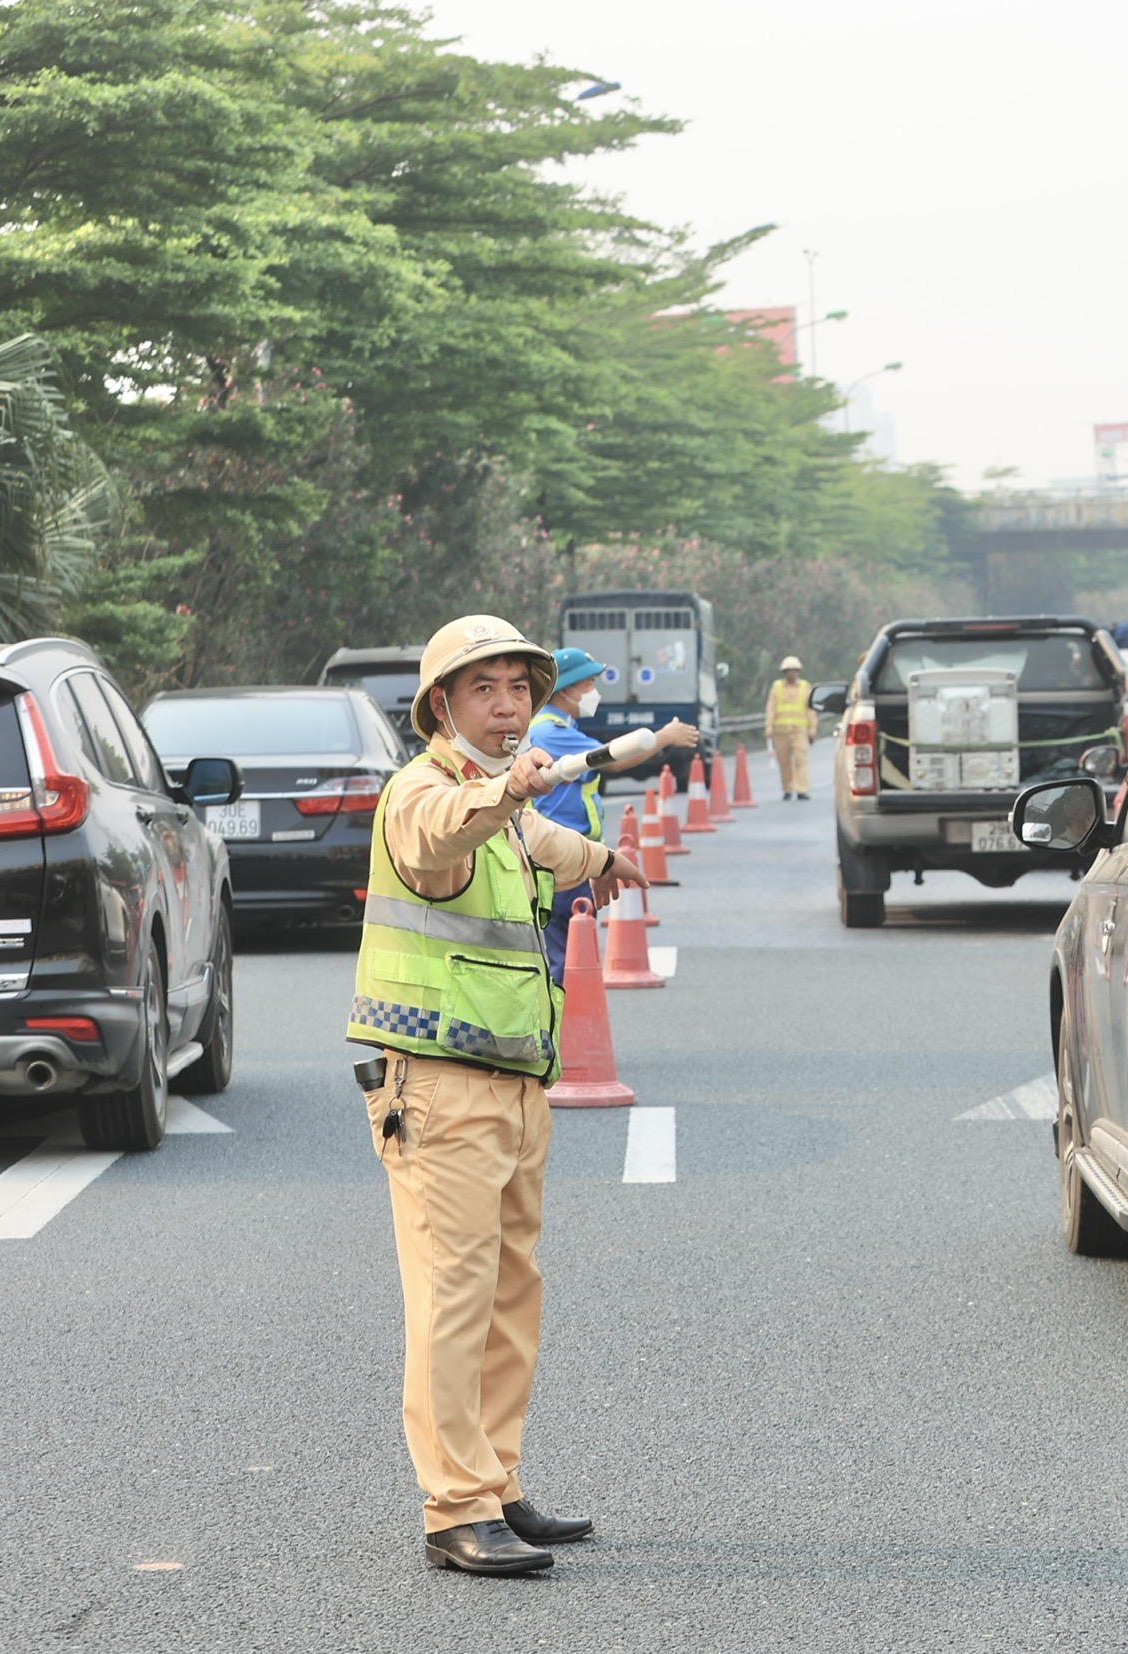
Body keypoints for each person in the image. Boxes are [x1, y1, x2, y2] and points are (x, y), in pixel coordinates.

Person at [347, 615, 649, 1577]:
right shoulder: (422, 794)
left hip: (514, 1082)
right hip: (434, 1088)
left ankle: (497, 1481)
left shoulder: (511, 798)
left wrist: (606, 863)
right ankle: (454, 1508)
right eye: (485, 689)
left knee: (512, 1290)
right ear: (442, 704)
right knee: (453, 1294)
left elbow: (541, 837)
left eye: (521, 687)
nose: (509, 704)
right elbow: (450, 833)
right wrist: (507, 787)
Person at [525, 646, 696, 980]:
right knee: (563, 956)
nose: (594, 692)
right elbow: (611, 759)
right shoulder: (549, 731)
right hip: (559, 857)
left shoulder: (562, 726)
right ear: (565, 689)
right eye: (588, 684)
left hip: (572, 853)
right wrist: (662, 738)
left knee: (571, 948)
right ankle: (564, 1025)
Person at [766, 655, 818, 800]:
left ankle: (801, 789)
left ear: (798, 671)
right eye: (789, 670)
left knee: (801, 760)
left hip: (799, 730)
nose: (791, 673)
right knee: (784, 762)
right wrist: (769, 727)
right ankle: (787, 788)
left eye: (794, 670)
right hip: (780, 731)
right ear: (784, 672)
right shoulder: (776, 687)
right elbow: (771, 708)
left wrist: (812, 729)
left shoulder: (805, 687)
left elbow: (810, 709)